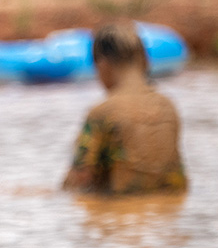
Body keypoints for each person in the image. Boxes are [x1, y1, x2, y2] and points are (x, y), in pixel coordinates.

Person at [62, 21, 188, 194]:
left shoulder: (102, 112)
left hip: (122, 208)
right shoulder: (167, 106)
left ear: (102, 65)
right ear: (145, 62)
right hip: (168, 211)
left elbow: (79, 179)